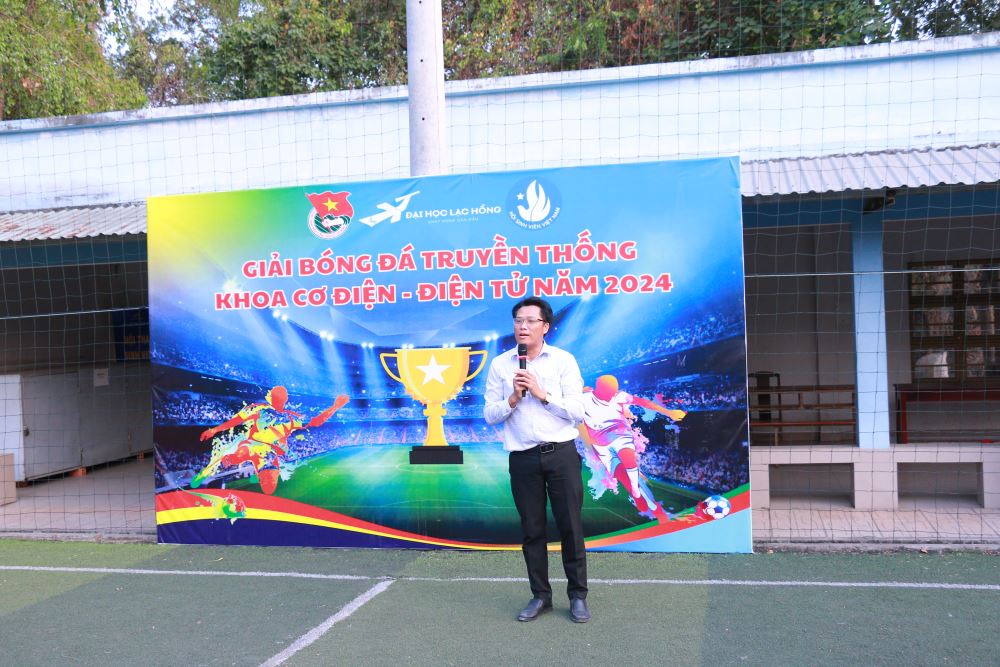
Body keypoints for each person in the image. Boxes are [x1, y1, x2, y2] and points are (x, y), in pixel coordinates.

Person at [483, 297, 590, 623]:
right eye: (518, 320)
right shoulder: (501, 364)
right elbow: (489, 414)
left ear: (545, 326)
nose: (523, 326)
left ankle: (578, 596)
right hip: (523, 458)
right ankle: (540, 596)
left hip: (561, 455)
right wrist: (513, 398)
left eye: (531, 321)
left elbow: (578, 411)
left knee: (571, 527)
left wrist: (543, 395)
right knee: (532, 530)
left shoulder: (563, 360)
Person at [579, 374, 686, 522]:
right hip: (600, 444)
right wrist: (588, 445)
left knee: (627, 456)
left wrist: (668, 412)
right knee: (622, 476)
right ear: (599, 389)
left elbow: (644, 403)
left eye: (613, 392)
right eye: (609, 393)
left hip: (619, 434)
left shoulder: (619, 396)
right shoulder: (583, 399)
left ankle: (637, 490)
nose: (612, 396)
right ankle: (641, 498)